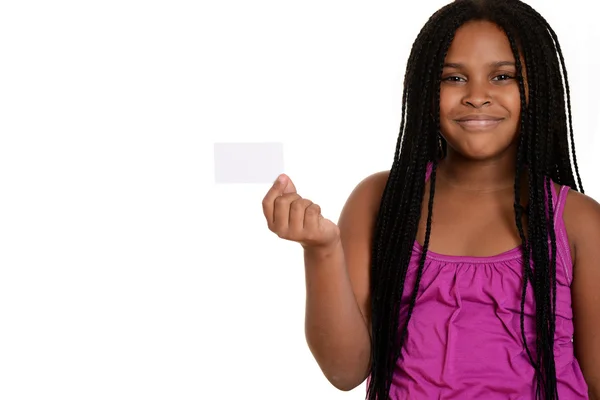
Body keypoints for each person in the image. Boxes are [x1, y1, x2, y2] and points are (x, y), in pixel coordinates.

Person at [261, 0, 600, 398]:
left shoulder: (577, 222)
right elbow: (344, 371)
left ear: (538, 88)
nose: (477, 96)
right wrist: (321, 249)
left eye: (502, 76)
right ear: (424, 89)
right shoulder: (381, 201)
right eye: (454, 79)